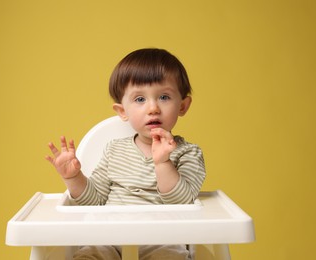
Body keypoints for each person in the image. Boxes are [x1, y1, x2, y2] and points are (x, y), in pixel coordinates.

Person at [46, 48, 206, 260]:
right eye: (140, 99)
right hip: (108, 238)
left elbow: (184, 203)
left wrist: (162, 163)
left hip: (162, 239)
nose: (153, 108)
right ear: (123, 111)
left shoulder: (188, 153)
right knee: (89, 255)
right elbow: (94, 201)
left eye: (164, 97)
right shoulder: (114, 150)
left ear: (183, 106)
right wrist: (73, 177)